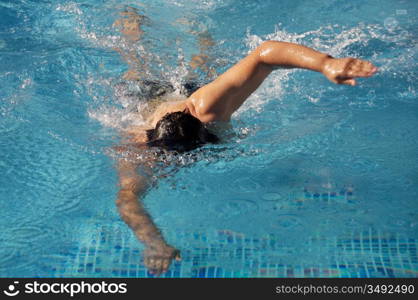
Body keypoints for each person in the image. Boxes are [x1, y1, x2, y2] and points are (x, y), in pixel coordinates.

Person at [112, 8, 378, 275]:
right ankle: (131, 20)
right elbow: (126, 198)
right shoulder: (137, 145)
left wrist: (326, 63)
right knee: (137, 64)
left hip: (189, 95)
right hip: (144, 100)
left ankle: (196, 26)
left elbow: (267, 53)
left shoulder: (206, 108)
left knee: (200, 65)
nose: (173, 168)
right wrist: (154, 243)